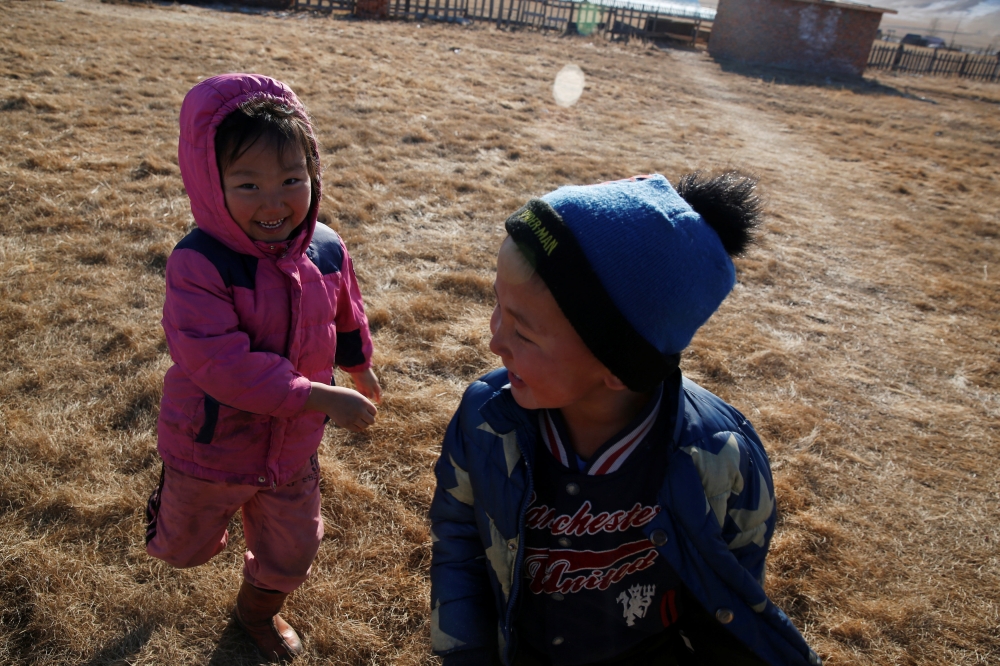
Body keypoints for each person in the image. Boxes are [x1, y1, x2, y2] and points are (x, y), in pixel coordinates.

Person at [428, 173, 822, 666]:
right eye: (497, 306)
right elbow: (458, 538)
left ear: (618, 367)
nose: (494, 341)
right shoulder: (487, 419)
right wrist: (465, 653)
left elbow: (733, 588)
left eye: (524, 332)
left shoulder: (720, 456)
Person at [144, 73, 381, 662]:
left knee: (294, 550)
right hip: (212, 443)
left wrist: (360, 367)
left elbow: (346, 314)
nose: (274, 202)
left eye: (292, 180)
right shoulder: (200, 263)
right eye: (247, 184)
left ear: (314, 173)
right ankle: (170, 509)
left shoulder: (325, 246)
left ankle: (257, 614)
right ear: (210, 182)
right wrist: (320, 397)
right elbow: (219, 362)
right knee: (183, 548)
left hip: (291, 449)